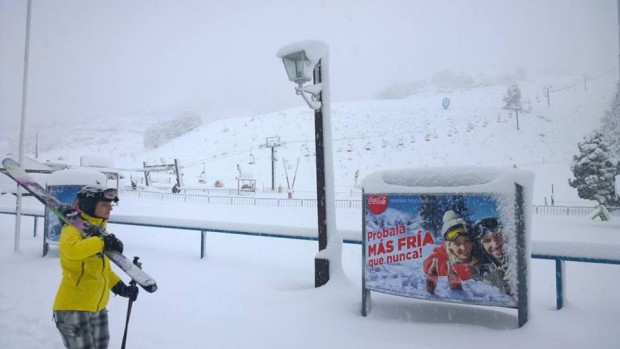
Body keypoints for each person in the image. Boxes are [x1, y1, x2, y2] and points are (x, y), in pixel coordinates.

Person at [53, 184, 138, 349]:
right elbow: (72, 251)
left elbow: (104, 270)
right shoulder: (71, 230)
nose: (109, 209)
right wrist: (102, 242)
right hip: (73, 309)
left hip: (98, 308)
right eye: (104, 205)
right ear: (91, 206)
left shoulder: (99, 231)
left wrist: (120, 288)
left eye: (111, 205)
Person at [423, 210, 479, 293]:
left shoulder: (477, 250)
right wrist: (466, 270)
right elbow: (428, 265)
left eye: (466, 241)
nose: (463, 248)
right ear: (448, 246)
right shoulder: (444, 252)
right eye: (457, 243)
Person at [473, 217, 510, 294]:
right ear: (481, 246)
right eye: (487, 240)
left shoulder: (517, 256)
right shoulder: (479, 271)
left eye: (498, 236)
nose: (495, 244)